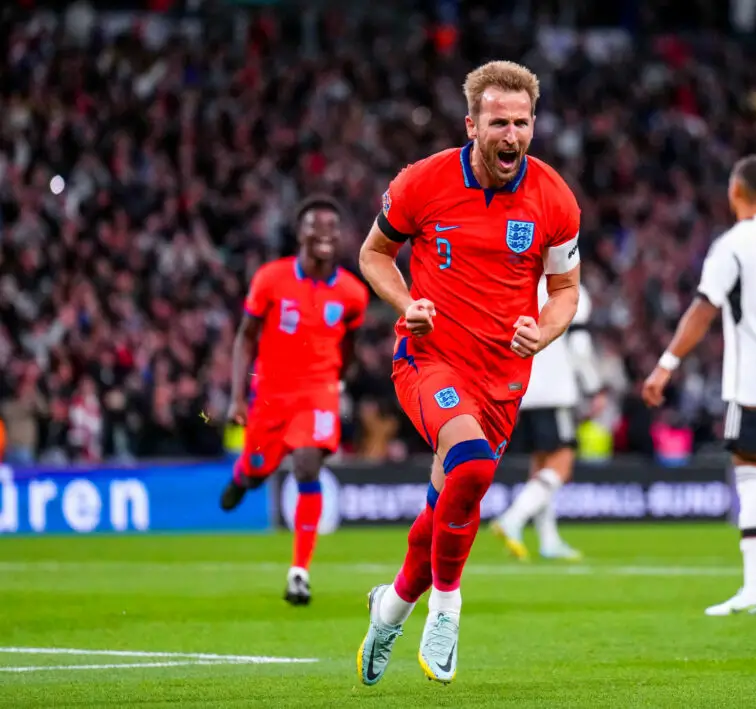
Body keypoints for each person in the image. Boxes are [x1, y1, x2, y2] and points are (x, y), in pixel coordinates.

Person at [355, 60, 581, 686]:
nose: (512, 135)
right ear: (472, 125)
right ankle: (447, 608)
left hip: (503, 377)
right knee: (474, 465)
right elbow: (374, 254)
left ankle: (391, 607)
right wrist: (406, 304)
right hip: (429, 358)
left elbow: (565, 290)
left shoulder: (554, 198)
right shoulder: (422, 182)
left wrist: (545, 330)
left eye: (522, 123)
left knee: (447, 505)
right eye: (499, 123)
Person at [641, 155, 756, 616]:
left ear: (735, 191)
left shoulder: (733, 245)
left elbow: (704, 308)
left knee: (752, 474)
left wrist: (666, 364)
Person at [218, 195, 369, 606]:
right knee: (257, 472)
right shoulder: (271, 279)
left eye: (332, 227)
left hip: (319, 390)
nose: (324, 233)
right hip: (270, 394)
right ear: (299, 233)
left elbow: (351, 342)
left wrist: (340, 378)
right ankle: (243, 476)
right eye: (315, 225)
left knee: (307, 464)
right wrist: (237, 398)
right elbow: (246, 337)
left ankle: (299, 573)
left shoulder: (353, 293)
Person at [490, 280, 602, 561]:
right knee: (561, 465)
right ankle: (513, 518)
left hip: (524, 389)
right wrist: (593, 387)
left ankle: (548, 540)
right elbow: (579, 346)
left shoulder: (516, 285)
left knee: (540, 467)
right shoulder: (569, 288)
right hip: (556, 389)